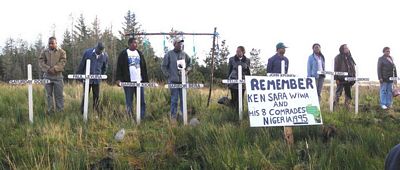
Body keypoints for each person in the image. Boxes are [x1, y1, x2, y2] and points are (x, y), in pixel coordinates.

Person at [116, 37, 148, 120]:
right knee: (129, 101)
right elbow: (119, 67)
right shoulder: (123, 54)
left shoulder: (140, 53)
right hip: (128, 81)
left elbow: (144, 67)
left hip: (139, 81)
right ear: (129, 44)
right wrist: (118, 79)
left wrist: (145, 80)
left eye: (136, 43)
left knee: (141, 101)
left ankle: (141, 117)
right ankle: (129, 117)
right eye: (134, 43)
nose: (136, 44)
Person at [161, 38, 191, 121]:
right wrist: (168, 75)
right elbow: (163, 66)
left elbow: (190, 64)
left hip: (183, 82)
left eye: (181, 43)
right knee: (174, 100)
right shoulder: (169, 54)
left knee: (183, 100)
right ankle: (173, 117)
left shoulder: (185, 54)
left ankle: (182, 117)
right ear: (174, 44)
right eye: (179, 43)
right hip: (173, 81)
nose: (181, 45)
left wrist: (187, 70)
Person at [77, 42, 108, 115]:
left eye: (101, 50)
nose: (99, 52)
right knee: (85, 95)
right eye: (98, 49)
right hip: (87, 79)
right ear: (96, 47)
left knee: (96, 96)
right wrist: (79, 76)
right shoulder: (88, 53)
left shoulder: (105, 56)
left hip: (97, 80)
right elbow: (82, 64)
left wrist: (101, 76)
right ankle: (83, 111)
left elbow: (105, 67)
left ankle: (96, 111)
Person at [38, 37, 67, 114]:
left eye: (52, 43)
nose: (50, 45)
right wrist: (48, 69)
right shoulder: (44, 52)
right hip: (47, 76)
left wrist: (55, 69)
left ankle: (60, 112)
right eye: (49, 43)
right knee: (48, 95)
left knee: (59, 95)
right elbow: (41, 62)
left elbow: (63, 62)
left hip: (58, 76)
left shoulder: (62, 52)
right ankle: (50, 111)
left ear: (56, 43)